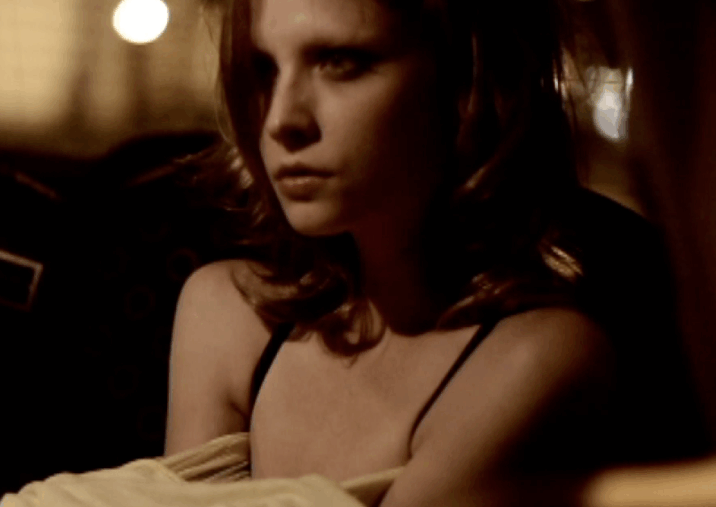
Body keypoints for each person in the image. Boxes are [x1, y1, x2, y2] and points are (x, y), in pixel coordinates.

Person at [163, 0, 643, 505]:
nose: (282, 120)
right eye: (262, 69)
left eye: (340, 62)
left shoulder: (534, 359)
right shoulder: (229, 314)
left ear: (468, 75)